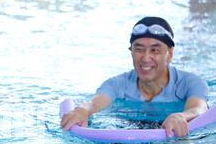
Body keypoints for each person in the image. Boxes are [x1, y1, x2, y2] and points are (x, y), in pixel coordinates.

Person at [61, 16, 209, 137]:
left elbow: (199, 109)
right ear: (130, 51)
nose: (145, 58)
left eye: (155, 50)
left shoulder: (191, 83)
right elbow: (94, 103)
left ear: (170, 54)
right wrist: (82, 110)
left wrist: (181, 116)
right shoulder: (116, 84)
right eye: (139, 49)